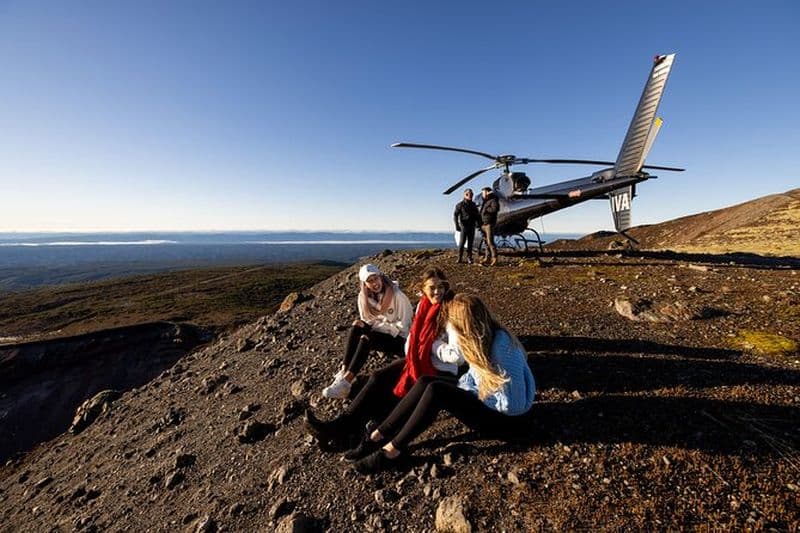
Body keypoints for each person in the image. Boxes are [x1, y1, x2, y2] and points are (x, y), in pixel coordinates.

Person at [349, 293, 536, 473]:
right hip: (491, 400)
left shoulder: (501, 348)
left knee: (437, 391)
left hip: (507, 421)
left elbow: (515, 405)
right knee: (425, 381)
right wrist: (467, 389)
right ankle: (378, 436)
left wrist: (476, 396)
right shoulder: (484, 337)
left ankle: (391, 452)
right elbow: (475, 375)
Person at [305, 268, 463, 444]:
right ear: (423, 289)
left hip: (439, 368)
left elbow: (457, 356)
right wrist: (416, 346)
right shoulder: (423, 305)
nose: (437, 291)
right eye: (432, 287)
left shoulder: (452, 310)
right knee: (377, 377)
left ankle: (354, 433)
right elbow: (413, 335)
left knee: (393, 396)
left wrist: (430, 345)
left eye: (441, 286)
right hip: (417, 358)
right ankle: (339, 425)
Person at [322, 263, 414, 399]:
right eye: (370, 281)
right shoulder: (363, 298)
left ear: (381, 277)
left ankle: (346, 383)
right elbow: (366, 319)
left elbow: (405, 327)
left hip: (401, 339)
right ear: (364, 284)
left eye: (376, 278)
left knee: (367, 337)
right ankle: (344, 370)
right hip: (382, 330)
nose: (375, 283)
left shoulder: (397, 296)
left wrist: (379, 328)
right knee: (357, 324)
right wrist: (376, 327)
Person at [453, 188, 481, 264]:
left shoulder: (473, 205)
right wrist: (457, 225)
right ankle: (459, 258)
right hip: (464, 226)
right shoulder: (460, 205)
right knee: (461, 243)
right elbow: (455, 215)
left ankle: (469, 258)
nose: (470, 196)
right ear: (464, 195)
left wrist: (479, 224)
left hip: (472, 226)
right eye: (468, 194)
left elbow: (477, 216)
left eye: (471, 194)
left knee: (470, 243)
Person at [479, 187, 499, 266]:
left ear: (487, 192)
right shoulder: (485, 201)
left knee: (490, 241)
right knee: (486, 242)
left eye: (483, 192)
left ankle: (495, 258)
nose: (482, 194)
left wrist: (487, 210)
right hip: (483, 224)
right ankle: (487, 257)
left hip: (489, 224)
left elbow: (495, 209)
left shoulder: (493, 200)